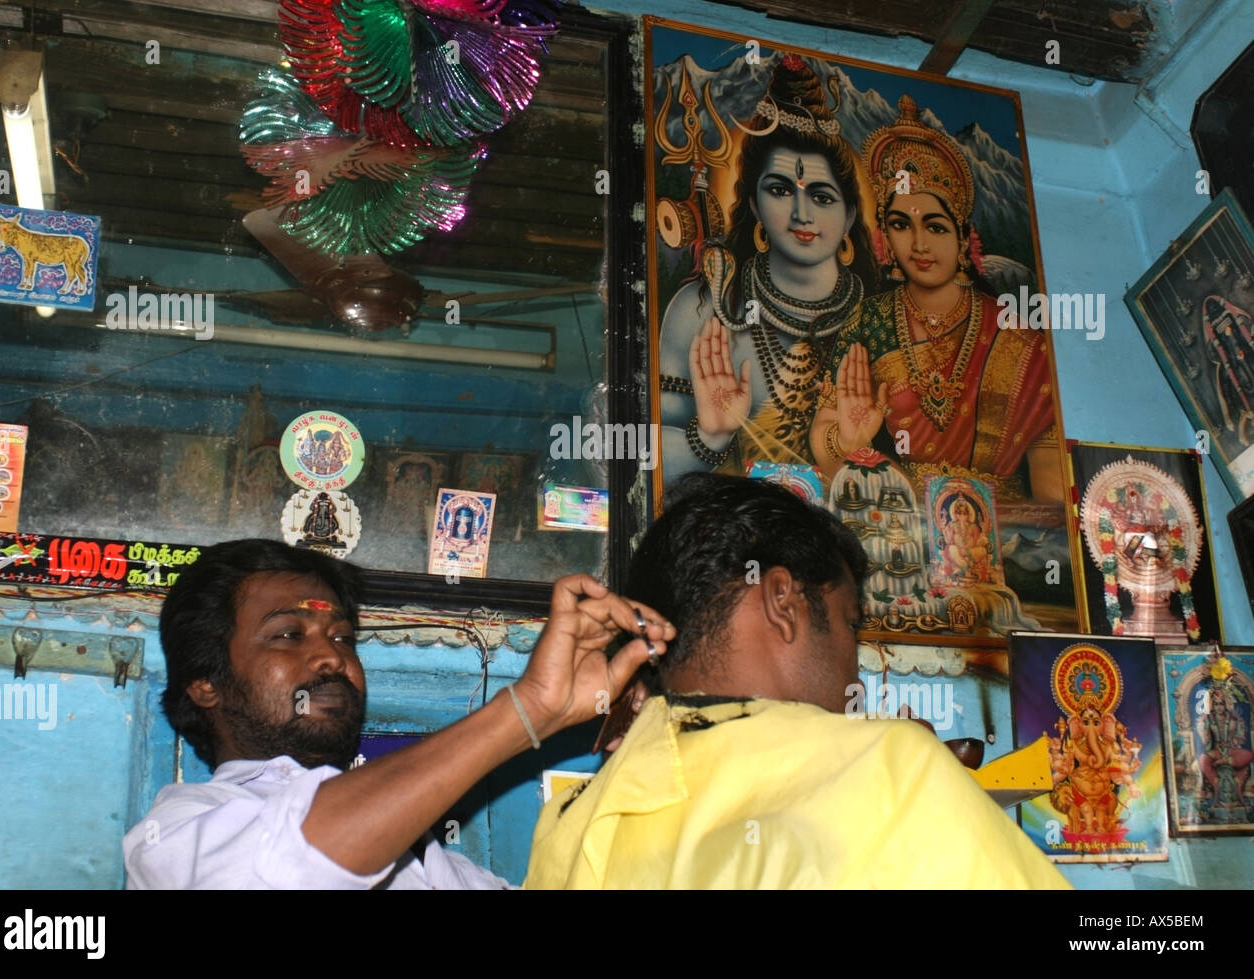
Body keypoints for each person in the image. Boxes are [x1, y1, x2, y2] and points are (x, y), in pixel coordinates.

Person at [524, 474, 1069, 889]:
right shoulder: (891, 768)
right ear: (783, 602)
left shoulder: (575, 820)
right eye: (849, 623)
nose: (854, 671)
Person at [123, 539, 673, 889]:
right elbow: (298, 862)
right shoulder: (176, 838)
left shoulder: (427, 861)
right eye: (289, 635)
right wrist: (529, 709)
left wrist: (645, 753)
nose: (331, 655)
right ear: (206, 684)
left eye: (342, 636)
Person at [808, 95, 1059, 501]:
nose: (919, 244)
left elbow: (1051, 493)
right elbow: (827, 439)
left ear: (963, 239)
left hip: (1006, 532)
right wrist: (849, 444)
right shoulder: (869, 320)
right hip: (902, 515)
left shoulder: (1018, 336)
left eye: (937, 227)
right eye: (901, 225)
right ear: (886, 238)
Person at [657, 55, 878, 484]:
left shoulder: (881, 319)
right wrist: (711, 434)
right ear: (754, 203)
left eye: (822, 196)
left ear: (851, 214)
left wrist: (854, 451)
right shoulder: (706, 308)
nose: (801, 214)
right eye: (779, 190)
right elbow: (647, 470)